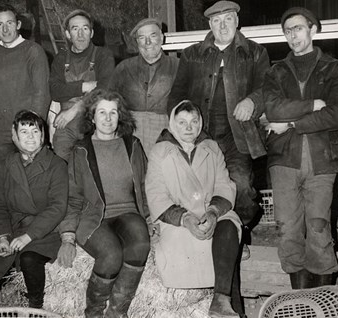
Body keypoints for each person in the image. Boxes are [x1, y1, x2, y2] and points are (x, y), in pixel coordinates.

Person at [264, 7, 338, 289]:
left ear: (313, 30)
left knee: (319, 227)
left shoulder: (336, 69)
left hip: (322, 159)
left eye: (298, 28)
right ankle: (300, 300)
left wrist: (290, 124)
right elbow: (273, 109)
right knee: (287, 230)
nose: (292, 35)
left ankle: (323, 297)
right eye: (287, 30)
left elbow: (336, 115)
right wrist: (313, 105)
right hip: (284, 160)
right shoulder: (276, 71)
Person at [168, 0, 270, 228]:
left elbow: (268, 89)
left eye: (228, 19)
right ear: (210, 25)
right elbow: (176, 96)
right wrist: (180, 126)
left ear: (237, 21)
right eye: (216, 21)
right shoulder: (191, 54)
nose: (222, 26)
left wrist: (252, 101)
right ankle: (205, 233)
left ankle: (239, 231)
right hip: (201, 136)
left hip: (238, 138)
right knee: (199, 189)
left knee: (242, 187)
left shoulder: (256, 53)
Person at [57, 89, 151, 317]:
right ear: (91, 116)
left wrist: (150, 218)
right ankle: (94, 313)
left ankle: (117, 312)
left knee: (140, 243)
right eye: (102, 112)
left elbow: (146, 185)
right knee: (111, 255)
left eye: (113, 112)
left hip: (128, 212)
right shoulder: (80, 150)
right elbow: (72, 197)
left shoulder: (133, 145)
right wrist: (67, 236)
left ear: (120, 116)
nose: (108, 119)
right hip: (93, 217)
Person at [146, 100, 243, 318]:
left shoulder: (212, 148)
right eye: (182, 123)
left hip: (211, 212)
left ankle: (222, 301)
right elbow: (156, 195)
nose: (189, 128)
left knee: (228, 230)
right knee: (195, 250)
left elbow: (223, 184)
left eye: (194, 122)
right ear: (172, 124)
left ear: (200, 124)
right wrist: (185, 218)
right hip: (178, 220)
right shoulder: (159, 152)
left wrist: (214, 212)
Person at [0, 110, 68, 309]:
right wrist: (1, 238)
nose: (30, 137)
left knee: (29, 259)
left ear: (43, 135)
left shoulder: (57, 165)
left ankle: (35, 308)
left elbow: (57, 207)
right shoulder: (6, 165)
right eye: (24, 132)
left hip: (44, 231)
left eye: (35, 131)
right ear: (14, 136)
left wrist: (28, 237)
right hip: (12, 228)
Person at [0, 4, 50, 167]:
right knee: (2, 176)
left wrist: (32, 129)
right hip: (2, 128)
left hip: (26, 128)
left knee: (29, 178)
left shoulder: (33, 51)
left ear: (18, 24)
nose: (5, 29)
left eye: (9, 23)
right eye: (0, 24)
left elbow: (42, 93)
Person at [49, 9, 115, 162]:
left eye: (85, 28)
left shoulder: (103, 55)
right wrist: (84, 86)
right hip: (66, 123)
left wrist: (77, 107)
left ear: (91, 33)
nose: (80, 34)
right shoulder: (60, 59)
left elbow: (106, 88)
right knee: (60, 164)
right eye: (75, 29)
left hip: (95, 121)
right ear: (67, 34)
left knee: (97, 167)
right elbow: (55, 91)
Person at [108, 18, 179, 156]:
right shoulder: (123, 68)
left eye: (153, 36)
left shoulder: (178, 66)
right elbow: (110, 100)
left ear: (162, 38)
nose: (148, 42)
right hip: (131, 131)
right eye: (142, 37)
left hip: (167, 131)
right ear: (137, 42)